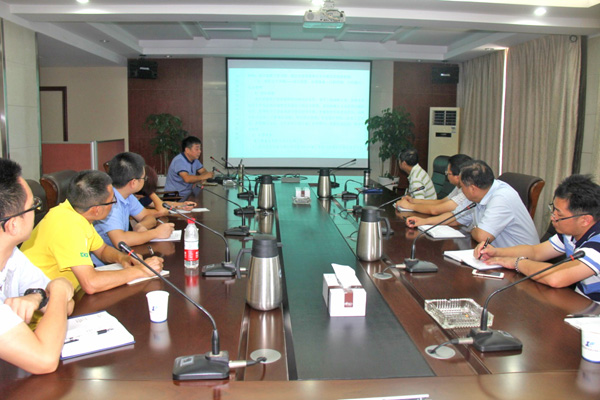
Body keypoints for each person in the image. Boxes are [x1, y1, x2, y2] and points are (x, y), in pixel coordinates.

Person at [21, 169, 164, 295]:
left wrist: (123, 258)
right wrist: (141, 271)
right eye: (112, 200)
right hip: (42, 307)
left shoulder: (75, 212)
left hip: (70, 294)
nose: (114, 203)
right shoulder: (68, 224)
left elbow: (102, 250)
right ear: (97, 210)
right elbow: (90, 284)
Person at [0, 158, 74, 374]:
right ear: (13, 224)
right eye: (34, 206)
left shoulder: (12, 256)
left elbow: (67, 306)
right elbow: (44, 360)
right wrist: (59, 288)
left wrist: (37, 297)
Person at [476, 174, 600, 301]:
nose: (553, 217)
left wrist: (516, 262)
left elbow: (556, 277)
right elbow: (536, 252)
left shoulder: (597, 243)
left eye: (560, 215)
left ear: (585, 220)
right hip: (580, 300)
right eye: (553, 210)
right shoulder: (571, 233)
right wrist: (496, 252)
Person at [406, 160, 539, 248]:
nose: (460, 189)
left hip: (522, 262)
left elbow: (482, 236)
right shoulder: (478, 194)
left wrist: (473, 228)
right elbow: (455, 217)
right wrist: (424, 222)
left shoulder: (502, 198)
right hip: (497, 255)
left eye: (461, 186)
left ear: (472, 188)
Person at [93, 153, 175, 264]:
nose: (144, 181)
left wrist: (141, 225)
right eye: (144, 178)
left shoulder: (127, 195)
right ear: (133, 182)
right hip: (104, 264)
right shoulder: (109, 202)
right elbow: (120, 240)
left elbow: (147, 216)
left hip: (121, 257)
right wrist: (156, 233)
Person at [395, 154, 472, 215]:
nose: (446, 176)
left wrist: (409, 206)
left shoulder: (465, 193)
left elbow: (435, 210)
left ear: (458, 177)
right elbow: (442, 201)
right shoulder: (459, 187)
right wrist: (413, 200)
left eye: (448, 173)